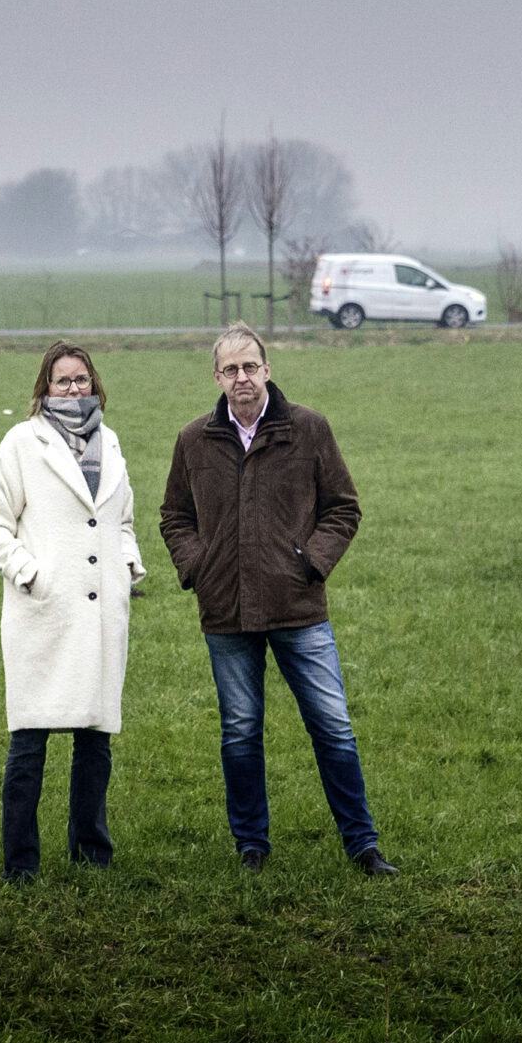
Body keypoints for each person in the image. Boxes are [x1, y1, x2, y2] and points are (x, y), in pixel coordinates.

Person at [158, 324, 397, 877]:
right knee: (240, 730)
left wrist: (310, 562)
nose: (241, 378)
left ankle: (362, 844)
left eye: (250, 367)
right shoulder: (194, 440)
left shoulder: (308, 429)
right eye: (230, 369)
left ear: (267, 369)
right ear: (216, 377)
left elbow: (343, 507)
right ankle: (252, 846)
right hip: (226, 609)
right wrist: (198, 566)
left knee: (332, 724)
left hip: (297, 606)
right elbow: (175, 515)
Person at [0, 341, 147, 882]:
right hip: (44, 612)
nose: (73, 389)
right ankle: (20, 863)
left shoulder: (110, 443)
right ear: (44, 388)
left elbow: (120, 519)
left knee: (95, 739)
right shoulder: (22, 443)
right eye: (61, 381)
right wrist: (29, 573)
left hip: (99, 612)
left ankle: (91, 852)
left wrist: (127, 564)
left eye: (80, 380)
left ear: (94, 384)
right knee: (30, 737)